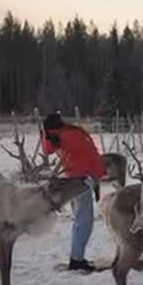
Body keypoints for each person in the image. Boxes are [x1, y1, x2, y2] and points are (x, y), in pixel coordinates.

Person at [42, 112, 106, 272]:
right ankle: (76, 260)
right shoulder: (71, 133)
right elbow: (89, 154)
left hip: (77, 178)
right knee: (84, 220)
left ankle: (76, 257)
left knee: (80, 219)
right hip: (80, 180)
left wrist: (45, 134)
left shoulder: (62, 136)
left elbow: (48, 149)